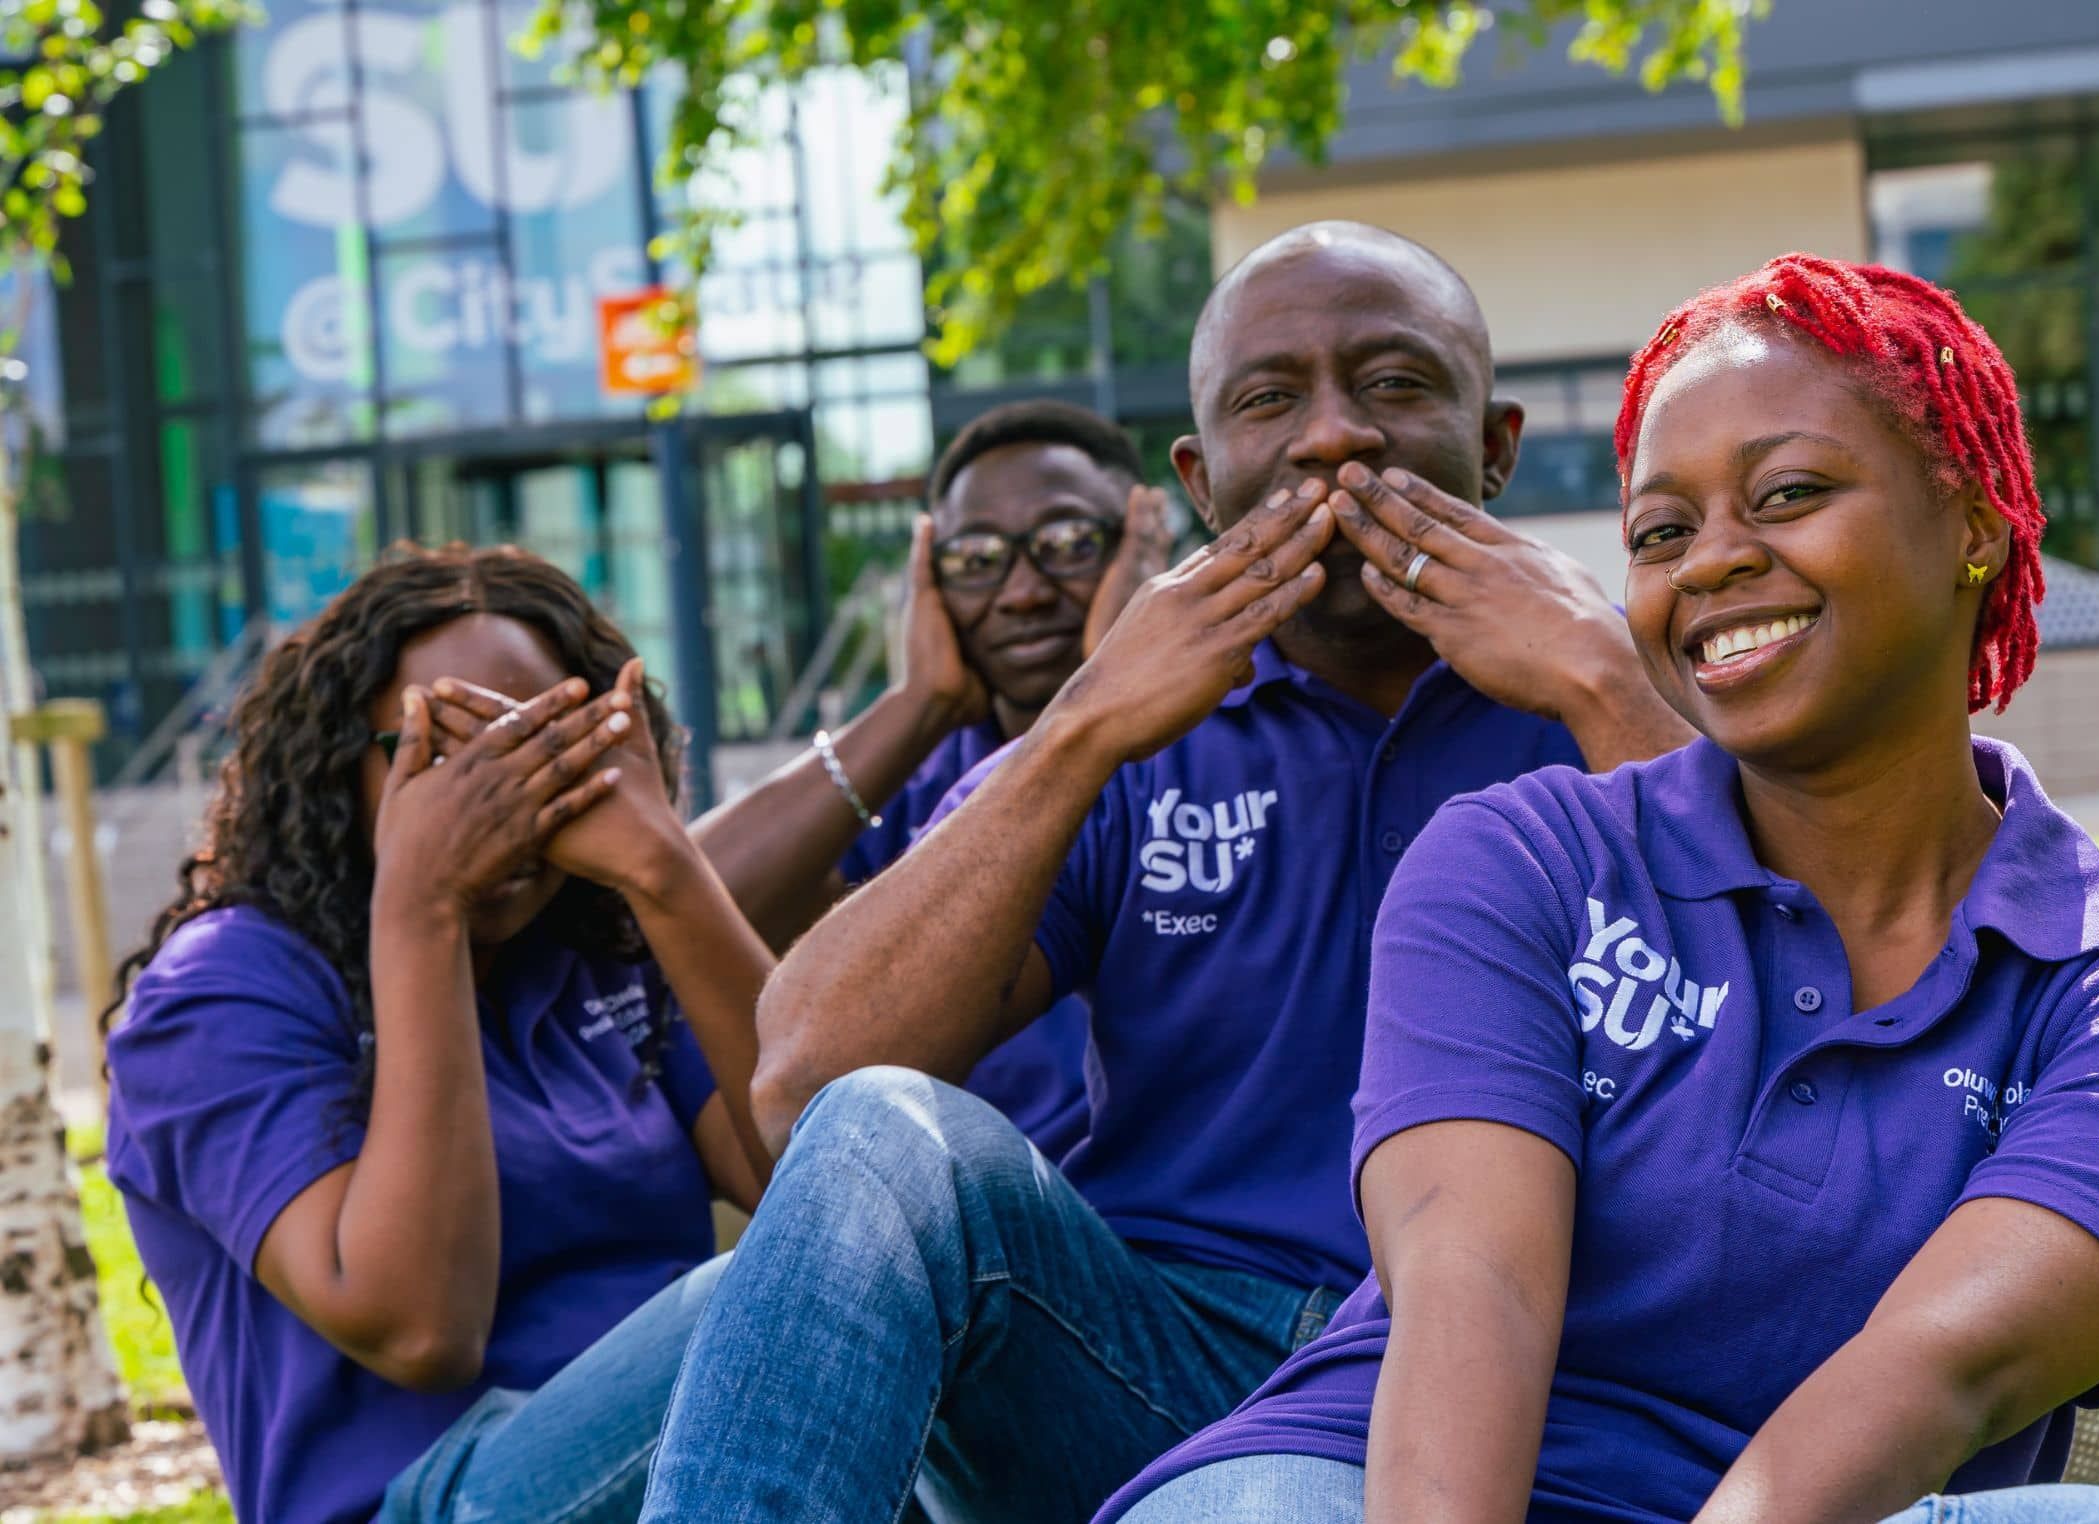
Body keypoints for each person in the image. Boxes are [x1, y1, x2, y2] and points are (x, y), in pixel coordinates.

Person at [1099, 256, 2099, 1524]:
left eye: (1789, 493)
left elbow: (1940, 1373)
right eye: (1662, 532)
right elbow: (1471, 1290)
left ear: (1976, 526)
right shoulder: (1517, 859)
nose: (1712, 562)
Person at [638, 221, 1696, 1523]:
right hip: (1151, 1356)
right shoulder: (1136, 730)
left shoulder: (1623, 688)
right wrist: (1083, 723)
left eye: (1395, 384)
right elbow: (805, 1073)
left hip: (1516, 1373)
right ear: (1202, 479)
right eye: (1269, 402)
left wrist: (1605, 690)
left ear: (1496, 445)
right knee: (877, 1138)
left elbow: (1815, 1064)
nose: (1330, 439)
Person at [103, 545, 776, 1524]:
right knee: (804, 1287)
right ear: (343, 768)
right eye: (444, 751)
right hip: (430, 1497)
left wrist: (666, 869)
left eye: (548, 745)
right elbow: (418, 1330)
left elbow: (803, 1161)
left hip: (683, 1458)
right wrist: (423, 909)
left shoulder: (587, 953)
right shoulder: (223, 991)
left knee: (904, 1180)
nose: (503, 796)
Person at [693, 400, 1171, 1160]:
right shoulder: (921, 783)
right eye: (977, 559)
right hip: (952, 1224)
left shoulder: (1217, 747)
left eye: (1069, 544)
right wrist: (918, 704)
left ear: (1145, 545)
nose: (1023, 592)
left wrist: (1113, 676)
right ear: (928, 575)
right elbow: (679, 906)